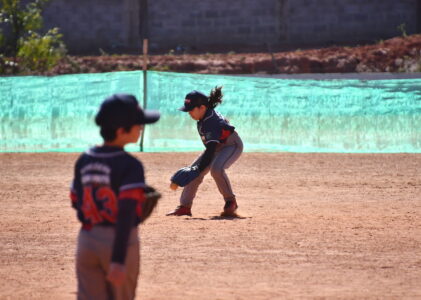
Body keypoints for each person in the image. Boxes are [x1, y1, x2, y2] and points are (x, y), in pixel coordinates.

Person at [69, 94, 160, 300]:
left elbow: (76, 201)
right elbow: (126, 215)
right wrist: (117, 260)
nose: (141, 128)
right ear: (121, 131)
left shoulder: (84, 159)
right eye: (138, 124)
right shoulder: (130, 165)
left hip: (87, 239)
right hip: (119, 242)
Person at [167, 86, 243, 217]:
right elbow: (211, 148)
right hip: (216, 146)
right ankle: (185, 207)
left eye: (191, 110)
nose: (189, 113)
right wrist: (196, 169)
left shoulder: (210, 122)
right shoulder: (204, 115)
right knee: (193, 171)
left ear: (202, 107)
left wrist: (198, 168)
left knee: (216, 169)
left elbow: (211, 149)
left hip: (231, 145)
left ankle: (231, 202)